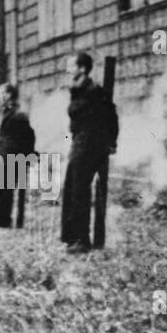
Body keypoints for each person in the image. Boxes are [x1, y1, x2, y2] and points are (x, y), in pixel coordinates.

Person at [60, 52, 118, 252]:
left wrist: (111, 142)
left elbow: (110, 116)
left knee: (78, 190)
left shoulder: (93, 91)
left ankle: (82, 241)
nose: (68, 70)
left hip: (89, 144)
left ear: (82, 69)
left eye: (71, 66)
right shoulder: (77, 90)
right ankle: (72, 237)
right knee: (72, 188)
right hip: (79, 142)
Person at [0, 83, 36, 228]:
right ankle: (0, 220)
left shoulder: (18, 115)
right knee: (0, 189)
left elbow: (29, 136)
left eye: (0, 94)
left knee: (4, 190)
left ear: (8, 95)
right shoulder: (8, 113)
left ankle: (3, 221)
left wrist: (25, 156)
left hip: (12, 157)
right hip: (4, 156)